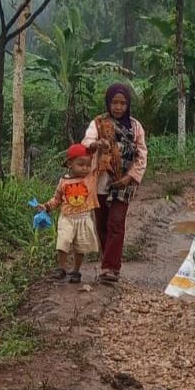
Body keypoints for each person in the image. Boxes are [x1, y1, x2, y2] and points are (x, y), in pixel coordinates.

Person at [82, 82, 148, 283]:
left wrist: (129, 177)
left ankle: (111, 268)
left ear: (128, 105)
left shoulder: (135, 127)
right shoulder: (98, 123)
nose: (119, 107)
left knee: (116, 223)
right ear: (108, 103)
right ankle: (106, 260)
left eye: (123, 103)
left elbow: (141, 154)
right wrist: (96, 144)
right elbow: (86, 142)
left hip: (123, 184)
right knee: (102, 225)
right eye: (115, 103)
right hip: (101, 182)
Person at [38, 143, 102, 284]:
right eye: (81, 164)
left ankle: (76, 271)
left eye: (88, 165)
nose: (85, 168)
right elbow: (57, 199)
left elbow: (100, 161)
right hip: (66, 218)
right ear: (70, 164)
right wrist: (46, 207)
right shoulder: (64, 181)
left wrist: (99, 148)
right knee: (63, 242)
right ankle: (61, 268)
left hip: (84, 218)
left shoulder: (90, 178)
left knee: (80, 246)